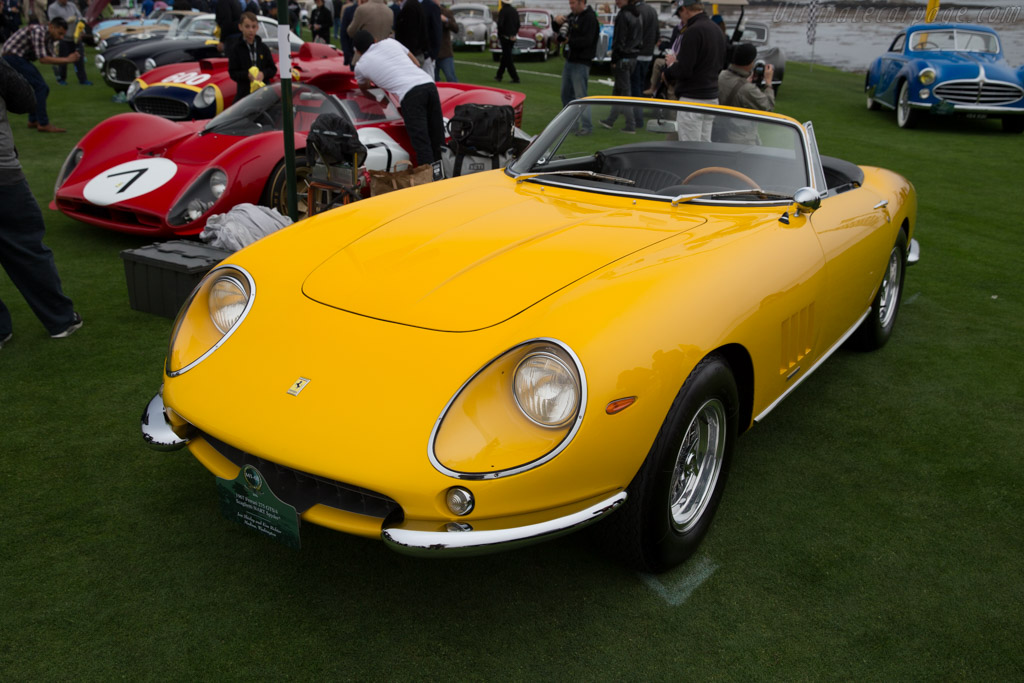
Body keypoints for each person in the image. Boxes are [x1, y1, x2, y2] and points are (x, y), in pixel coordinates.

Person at [0, 59, 83, 351]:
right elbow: (25, 100)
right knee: (26, 248)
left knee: (26, 246)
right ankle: (60, 319)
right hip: (3, 175)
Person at [351, 29, 443, 166]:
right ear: (375, 40)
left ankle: (430, 181)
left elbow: (364, 87)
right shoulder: (390, 42)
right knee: (438, 138)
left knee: (421, 143)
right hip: (428, 84)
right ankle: (446, 175)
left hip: (410, 94)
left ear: (358, 52)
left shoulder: (361, 66)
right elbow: (416, 63)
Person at [1, 17, 80, 133]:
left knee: (42, 88)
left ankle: (33, 120)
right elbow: (43, 59)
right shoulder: (38, 31)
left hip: (18, 58)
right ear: (51, 27)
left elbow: (51, 55)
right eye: (60, 33)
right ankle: (43, 123)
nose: (61, 37)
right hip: (12, 58)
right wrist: (67, 59)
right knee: (41, 87)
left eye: (63, 35)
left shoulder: (48, 36)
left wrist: (68, 56)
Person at [663, 0, 725, 141]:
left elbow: (684, 70)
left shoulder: (693, 31)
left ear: (685, 9)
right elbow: (721, 63)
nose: (681, 19)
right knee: (704, 145)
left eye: (679, 14)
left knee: (690, 147)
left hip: (692, 98)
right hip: (712, 96)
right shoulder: (716, 29)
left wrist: (672, 65)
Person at [714, 42, 774, 144]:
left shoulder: (721, 75)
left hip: (720, 134)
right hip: (741, 139)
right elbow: (768, 106)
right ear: (750, 63)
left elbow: (734, 85)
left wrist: (745, 80)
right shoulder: (747, 89)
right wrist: (768, 83)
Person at [553, 0, 597, 134]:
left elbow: (588, 40)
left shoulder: (590, 18)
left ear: (582, 2)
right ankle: (571, 125)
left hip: (582, 61)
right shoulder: (573, 16)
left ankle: (587, 126)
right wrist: (556, 22)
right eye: (570, 3)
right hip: (570, 60)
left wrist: (570, 41)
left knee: (580, 96)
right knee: (565, 94)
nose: (571, 6)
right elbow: (560, 30)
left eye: (573, 3)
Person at [598, 0, 640, 133]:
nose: (617, 1)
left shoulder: (623, 15)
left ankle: (630, 124)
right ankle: (611, 119)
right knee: (618, 91)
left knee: (624, 93)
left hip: (623, 57)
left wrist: (615, 58)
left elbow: (619, 39)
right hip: (633, 56)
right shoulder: (637, 14)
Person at [227, 11, 276, 104]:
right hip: (244, 94)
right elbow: (232, 72)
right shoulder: (236, 48)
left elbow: (272, 69)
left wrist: (263, 74)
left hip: (263, 93)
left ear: (257, 28)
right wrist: (247, 75)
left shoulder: (263, 48)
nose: (251, 30)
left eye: (253, 27)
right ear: (240, 27)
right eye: (247, 26)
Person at [46, 0, 90, 86]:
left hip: (75, 37)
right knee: (63, 60)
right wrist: (67, 21)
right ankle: (61, 79)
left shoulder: (72, 5)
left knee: (79, 59)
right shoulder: (53, 8)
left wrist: (81, 26)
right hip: (63, 38)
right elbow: (54, 22)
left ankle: (83, 79)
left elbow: (80, 17)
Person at [493, 0, 518, 83]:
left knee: (508, 58)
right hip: (512, 37)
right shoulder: (514, 11)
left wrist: (501, 34)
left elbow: (500, 25)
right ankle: (499, 75)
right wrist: (514, 34)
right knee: (505, 56)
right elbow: (518, 24)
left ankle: (515, 77)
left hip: (505, 37)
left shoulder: (503, 12)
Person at [435, 3, 456, 82]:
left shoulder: (446, 12)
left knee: (451, 77)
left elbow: (456, 28)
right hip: (432, 53)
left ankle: (456, 92)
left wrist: (446, 20)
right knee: (434, 79)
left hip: (445, 52)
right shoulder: (426, 9)